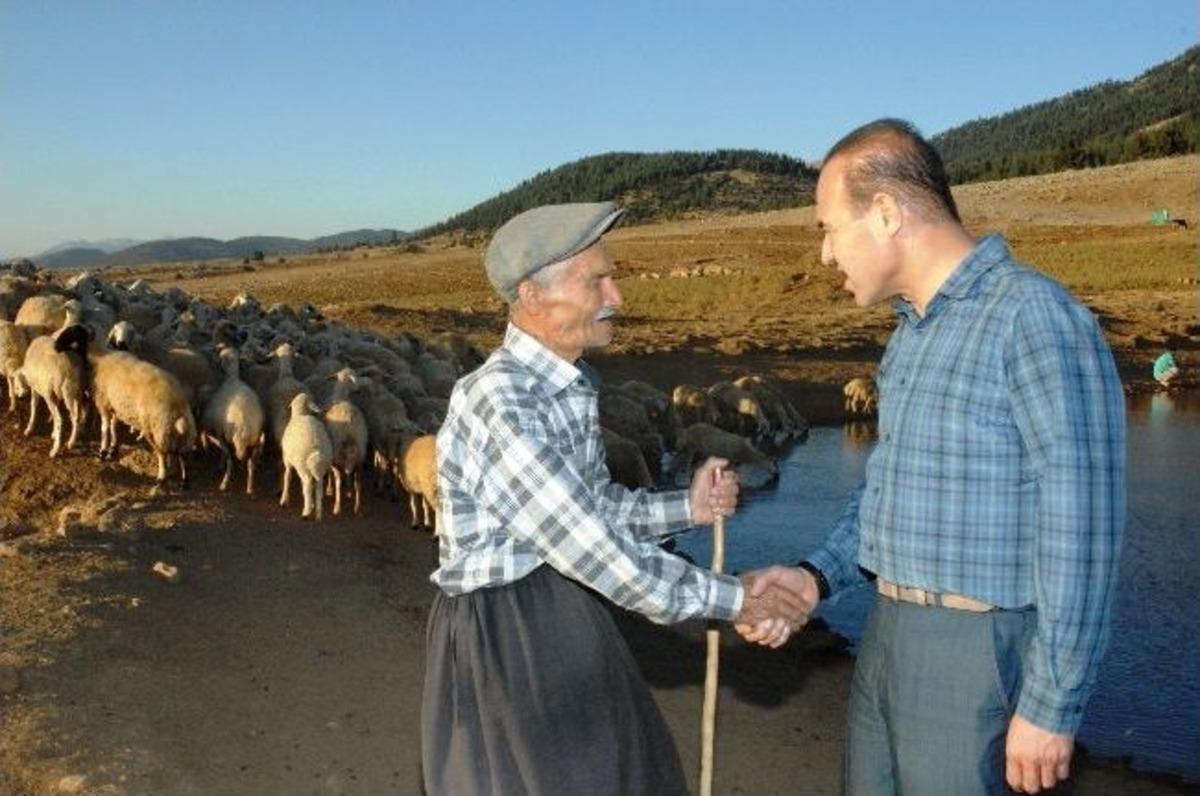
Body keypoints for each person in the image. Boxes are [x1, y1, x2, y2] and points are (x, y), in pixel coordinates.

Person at [743, 120, 1126, 795]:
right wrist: (815, 578)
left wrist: (1051, 704)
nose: (826, 255)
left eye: (829, 227)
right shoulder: (913, 334)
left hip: (978, 651)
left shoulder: (1032, 318)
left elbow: (1084, 530)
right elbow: (887, 494)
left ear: (886, 213)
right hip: (888, 629)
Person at [421, 201, 806, 795]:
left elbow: (595, 509)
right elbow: (593, 547)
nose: (617, 297)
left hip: (560, 611)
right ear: (532, 295)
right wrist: (733, 600)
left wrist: (690, 507)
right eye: (596, 280)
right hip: (510, 640)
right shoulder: (504, 403)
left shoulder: (563, 388)